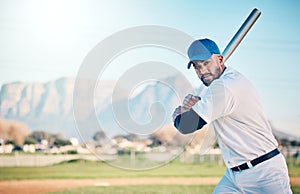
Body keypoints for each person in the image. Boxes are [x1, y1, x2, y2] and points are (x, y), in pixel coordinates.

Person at [172, 38, 292, 193]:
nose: (202, 70)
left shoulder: (227, 86)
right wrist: (194, 106)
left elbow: (186, 125)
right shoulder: (218, 85)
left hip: (265, 172)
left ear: (220, 59)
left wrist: (179, 114)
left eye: (206, 63)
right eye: (196, 66)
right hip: (234, 176)